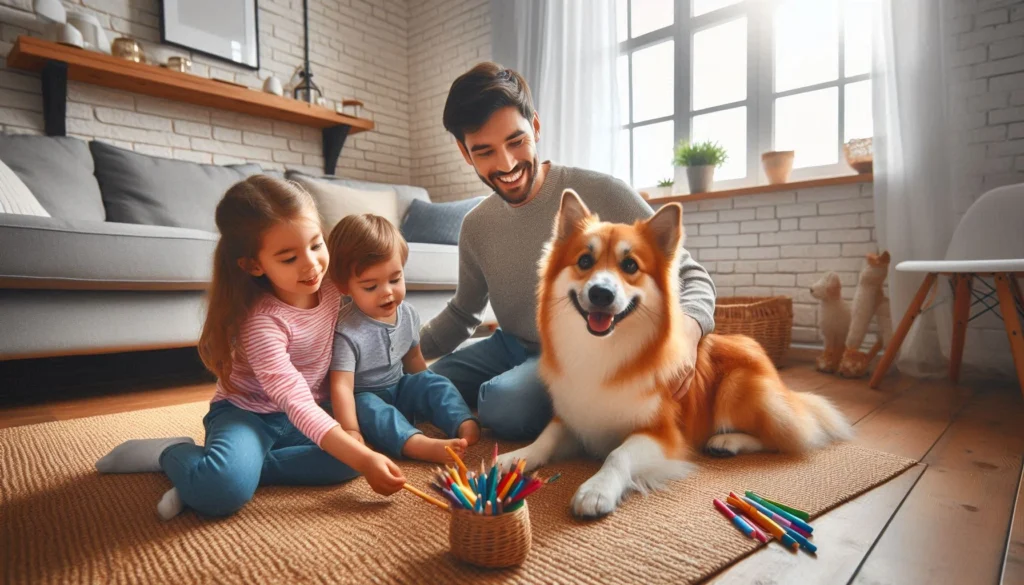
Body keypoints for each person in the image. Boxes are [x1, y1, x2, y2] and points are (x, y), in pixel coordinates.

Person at [422, 63, 718, 440]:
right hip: (507, 344)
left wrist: (688, 337)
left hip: (577, 354)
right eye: (485, 152)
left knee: (503, 406)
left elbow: (691, 274)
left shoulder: (603, 192)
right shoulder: (476, 225)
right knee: (422, 383)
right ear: (465, 153)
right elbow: (463, 313)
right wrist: (398, 348)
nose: (507, 164)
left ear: (537, 127)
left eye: (516, 141)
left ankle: (556, 407)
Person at [95, 176, 406, 520]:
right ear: (253, 265)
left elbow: (375, 280)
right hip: (249, 415)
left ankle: (229, 472)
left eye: (317, 244)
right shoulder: (262, 322)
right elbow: (294, 400)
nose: (311, 264)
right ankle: (173, 453)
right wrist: (361, 458)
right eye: (289, 258)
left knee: (350, 455)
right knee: (222, 494)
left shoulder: (331, 285)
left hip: (308, 412)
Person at [326, 213, 480, 464]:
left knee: (434, 382)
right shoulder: (346, 330)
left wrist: (427, 386)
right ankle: (417, 444)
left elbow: (413, 359)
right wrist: (351, 430)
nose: (387, 292)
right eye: (370, 287)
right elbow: (341, 386)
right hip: (366, 399)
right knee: (369, 407)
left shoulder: (407, 313)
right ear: (345, 288)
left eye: (395, 279)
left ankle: (461, 421)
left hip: (400, 388)